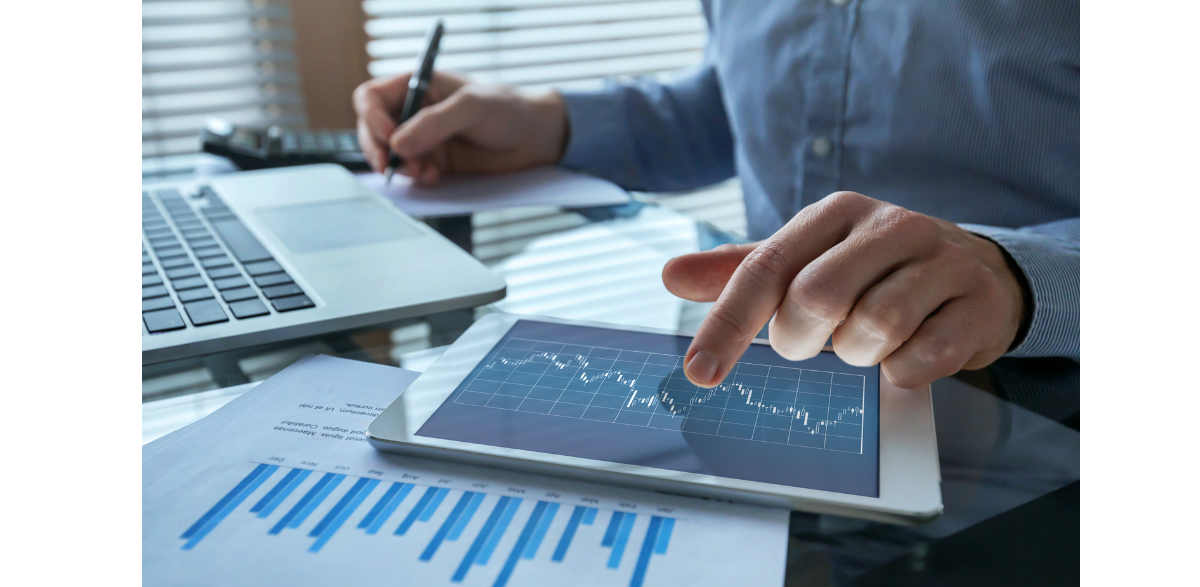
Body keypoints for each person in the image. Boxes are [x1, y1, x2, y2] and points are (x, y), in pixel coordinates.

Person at [353, 1, 1079, 391]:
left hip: (1035, 408)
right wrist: (545, 124)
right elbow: (730, 99)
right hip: (772, 377)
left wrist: (1012, 274)